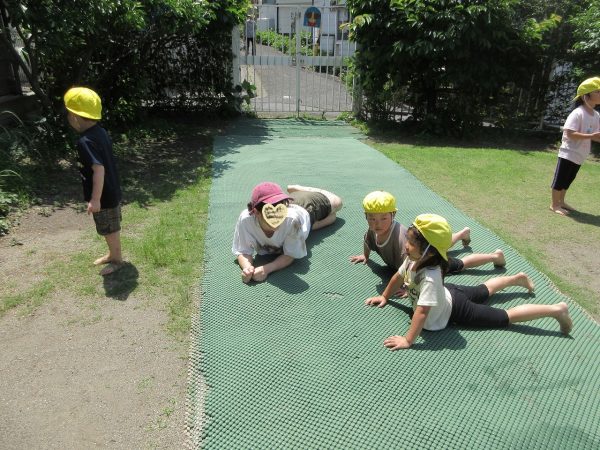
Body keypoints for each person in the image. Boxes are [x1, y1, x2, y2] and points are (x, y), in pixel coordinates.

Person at [365, 213, 573, 350]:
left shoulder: (430, 277)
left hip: (457, 309)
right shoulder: (413, 260)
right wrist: (385, 296)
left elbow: (422, 312)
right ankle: (515, 279)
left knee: (505, 317)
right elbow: (398, 276)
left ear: (429, 251)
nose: (406, 245)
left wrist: (408, 340)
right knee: (484, 290)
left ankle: (556, 310)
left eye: (411, 242)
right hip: (449, 293)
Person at [350, 191, 506, 275]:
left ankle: (495, 256)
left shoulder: (400, 239)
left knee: (460, 264)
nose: (377, 224)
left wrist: (407, 286)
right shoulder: (373, 230)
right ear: (366, 217)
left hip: (425, 261)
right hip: (420, 250)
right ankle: (462, 234)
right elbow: (367, 242)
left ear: (393, 215)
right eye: (372, 219)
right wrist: (365, 256)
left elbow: (412, 265)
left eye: (383, 218)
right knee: (438, 244)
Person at [232, 182, 343, 283]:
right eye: (269, 214)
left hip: (305, 208)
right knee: (332, 218)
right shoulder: (246, 219)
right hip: (302, 225)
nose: (277, 220)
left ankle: (299, 189)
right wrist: (247, 268)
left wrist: (267, 269)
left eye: (280, 213)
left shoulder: (292, 220)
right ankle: (308, 224)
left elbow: (290, 255)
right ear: (256, 212)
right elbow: (243, 251)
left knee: (338, 203)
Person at [64, 87, 123, 276]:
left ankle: (117, 260)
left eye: (68, 113)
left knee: (109, 229)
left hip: (104, 195)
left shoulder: (86, 141)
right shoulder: (100, 132)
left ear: (75, 117)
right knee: (108, 227)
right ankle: (112, 254)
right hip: (110, 190)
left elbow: (98, 169)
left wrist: (96, 199)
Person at [550, 76, 600, 215]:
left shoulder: (596, 115)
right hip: (568, 152)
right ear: (586, 96)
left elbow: (596, 135)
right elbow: (570, 133)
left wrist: (594, 136)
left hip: (580, 154)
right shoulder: (578, 113)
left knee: (568, 179)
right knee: (560, 178)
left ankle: (561, 201)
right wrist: (591, 136)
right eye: (598, 91)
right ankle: (554, 205)